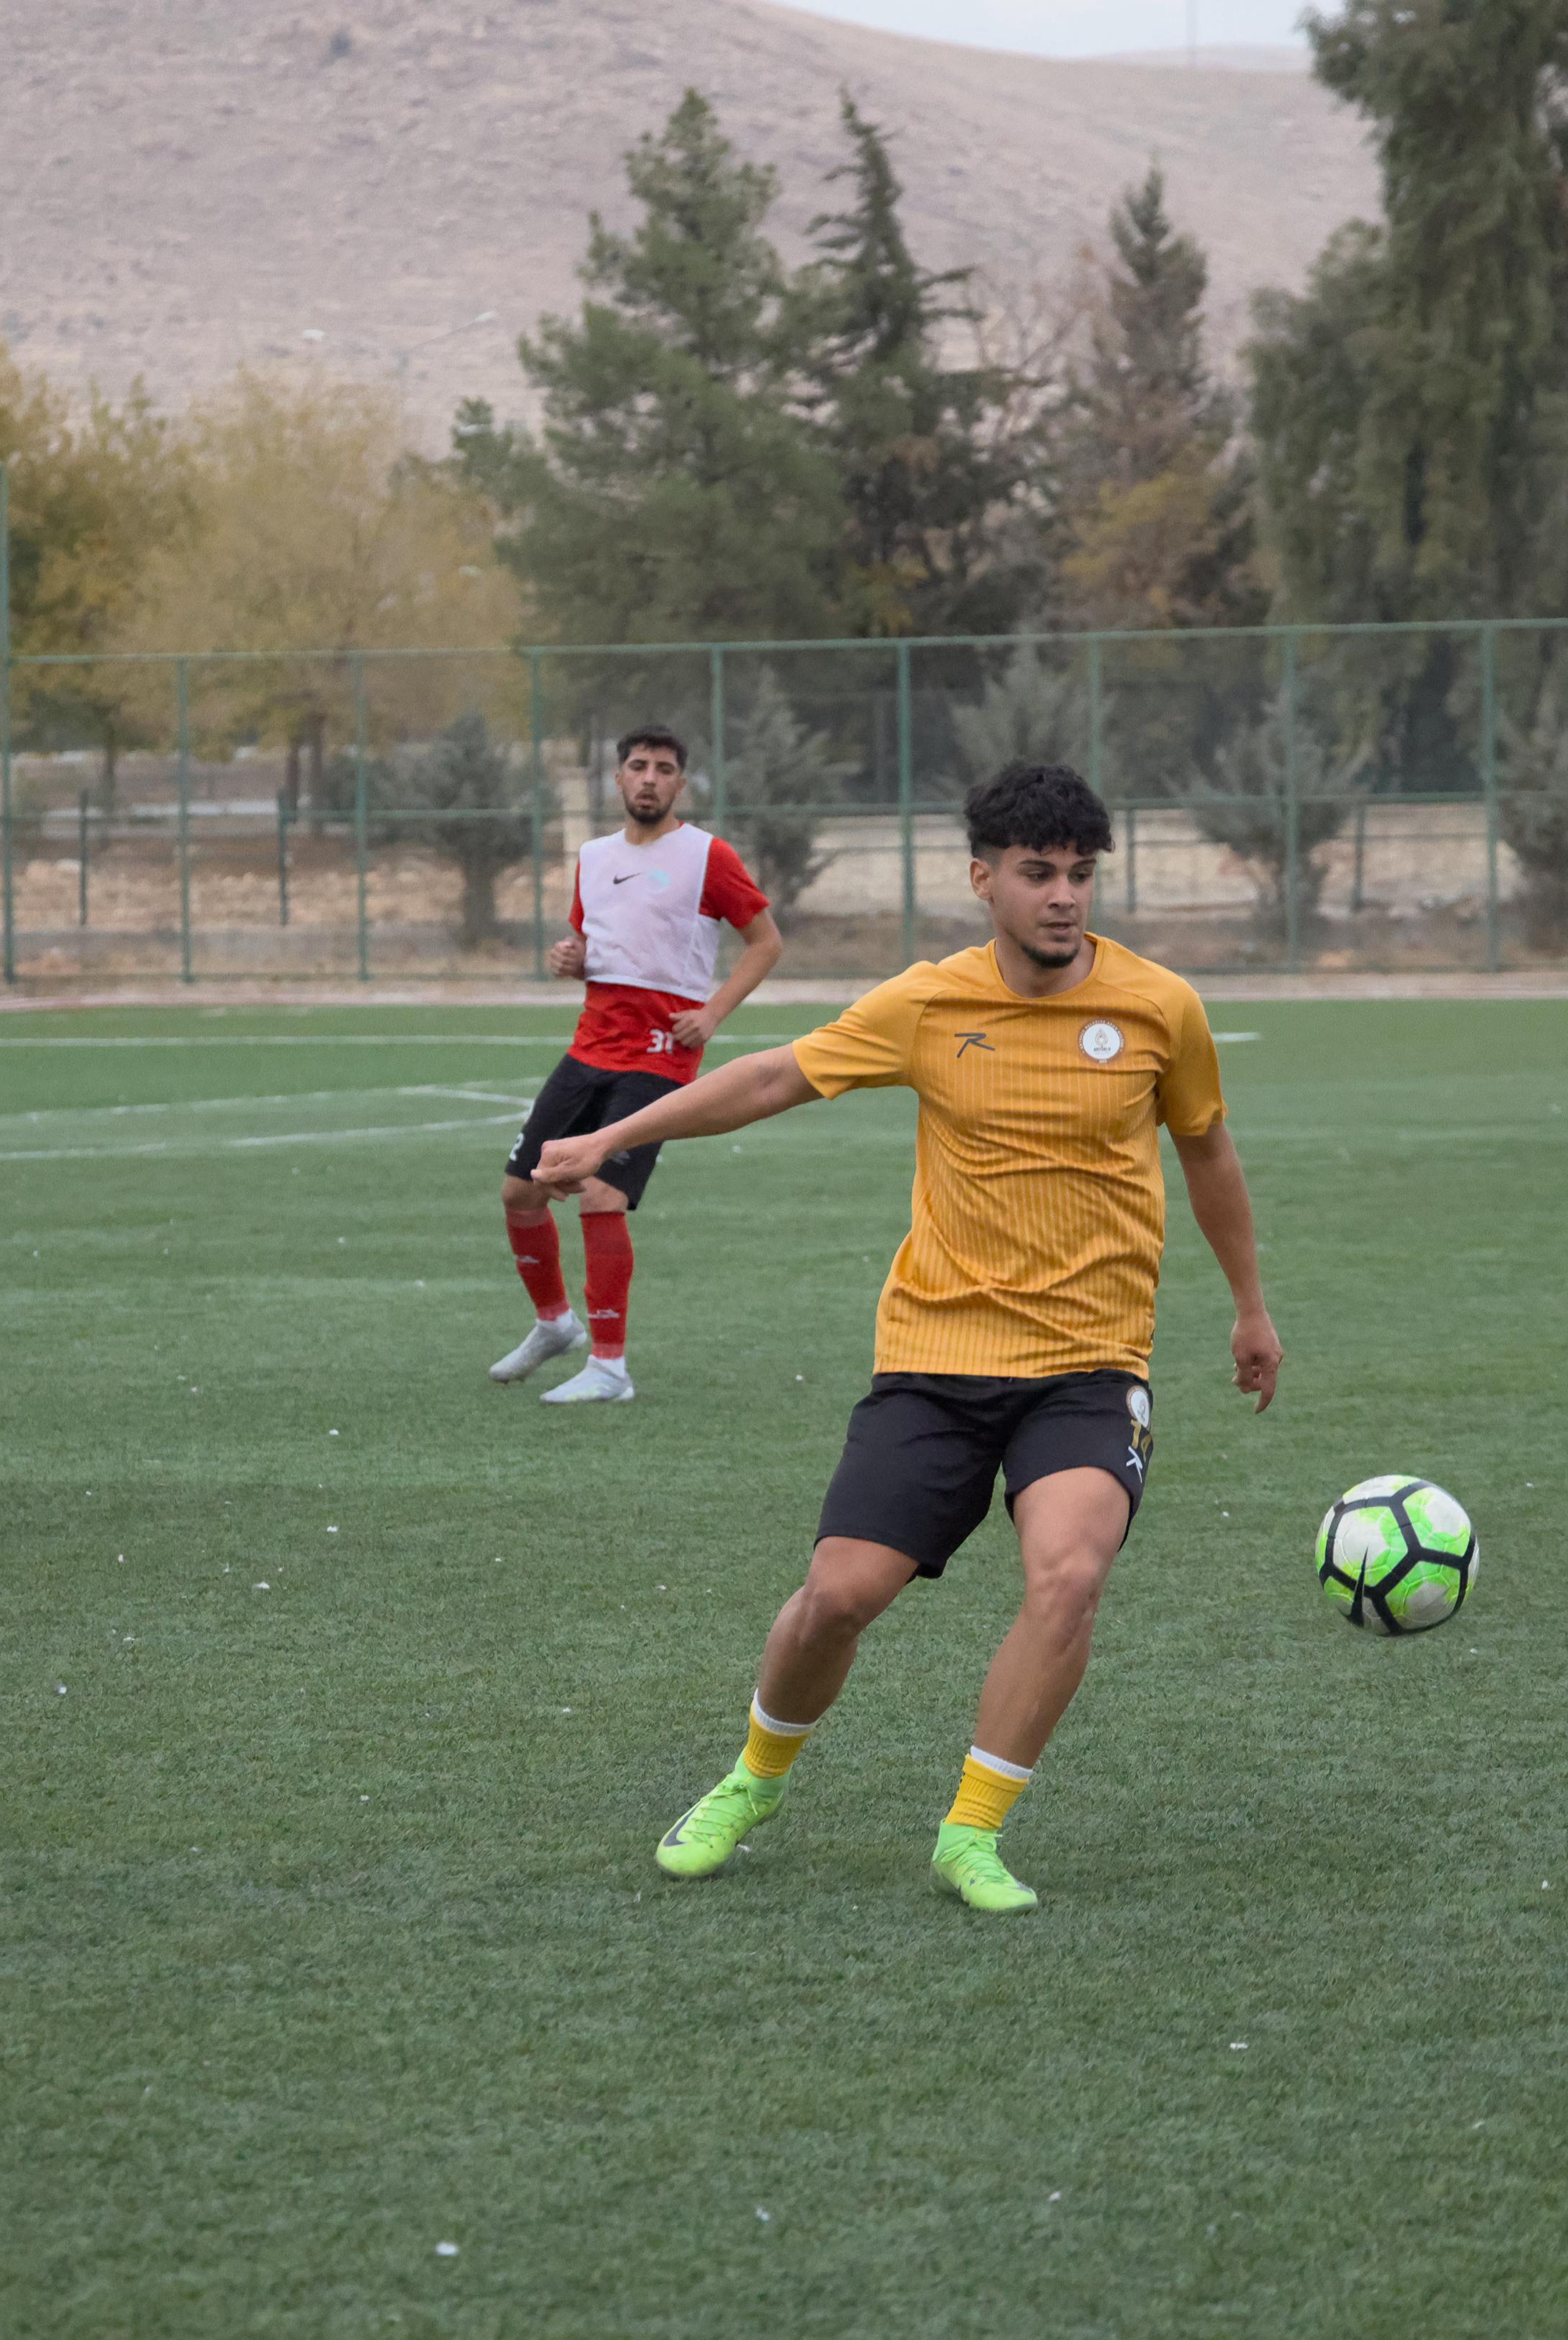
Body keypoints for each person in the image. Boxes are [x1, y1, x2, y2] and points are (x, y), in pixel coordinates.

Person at [537, 762, 1281, 1913]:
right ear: (983, 880)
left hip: (1089, 1366)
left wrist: (1250, 1306)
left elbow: (1208, 1151)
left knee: (1069, 1576)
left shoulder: (1159, 1008)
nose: (1064, 897)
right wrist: (610, 1141)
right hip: (937, 1358)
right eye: (1038, 874)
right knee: (838, 1597)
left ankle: (972, 1833)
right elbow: (773, 1078)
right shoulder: (929, 1005)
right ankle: (752, 1781)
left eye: (1081, 874)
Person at [491, 724, 785, 1404]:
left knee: (602, 1193)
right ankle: (554, 1323)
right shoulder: (593, 857)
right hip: (590, 1045)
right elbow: (592, 947)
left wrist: (712, 1014)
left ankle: (610, 1368)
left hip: (660, 1057)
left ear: (681, 783)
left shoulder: (708, 855)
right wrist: (571, 960)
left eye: (664, 769)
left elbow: (766, 943)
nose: (650, 778)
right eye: (638, 766)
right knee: (521, 1192)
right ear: (619, 777)